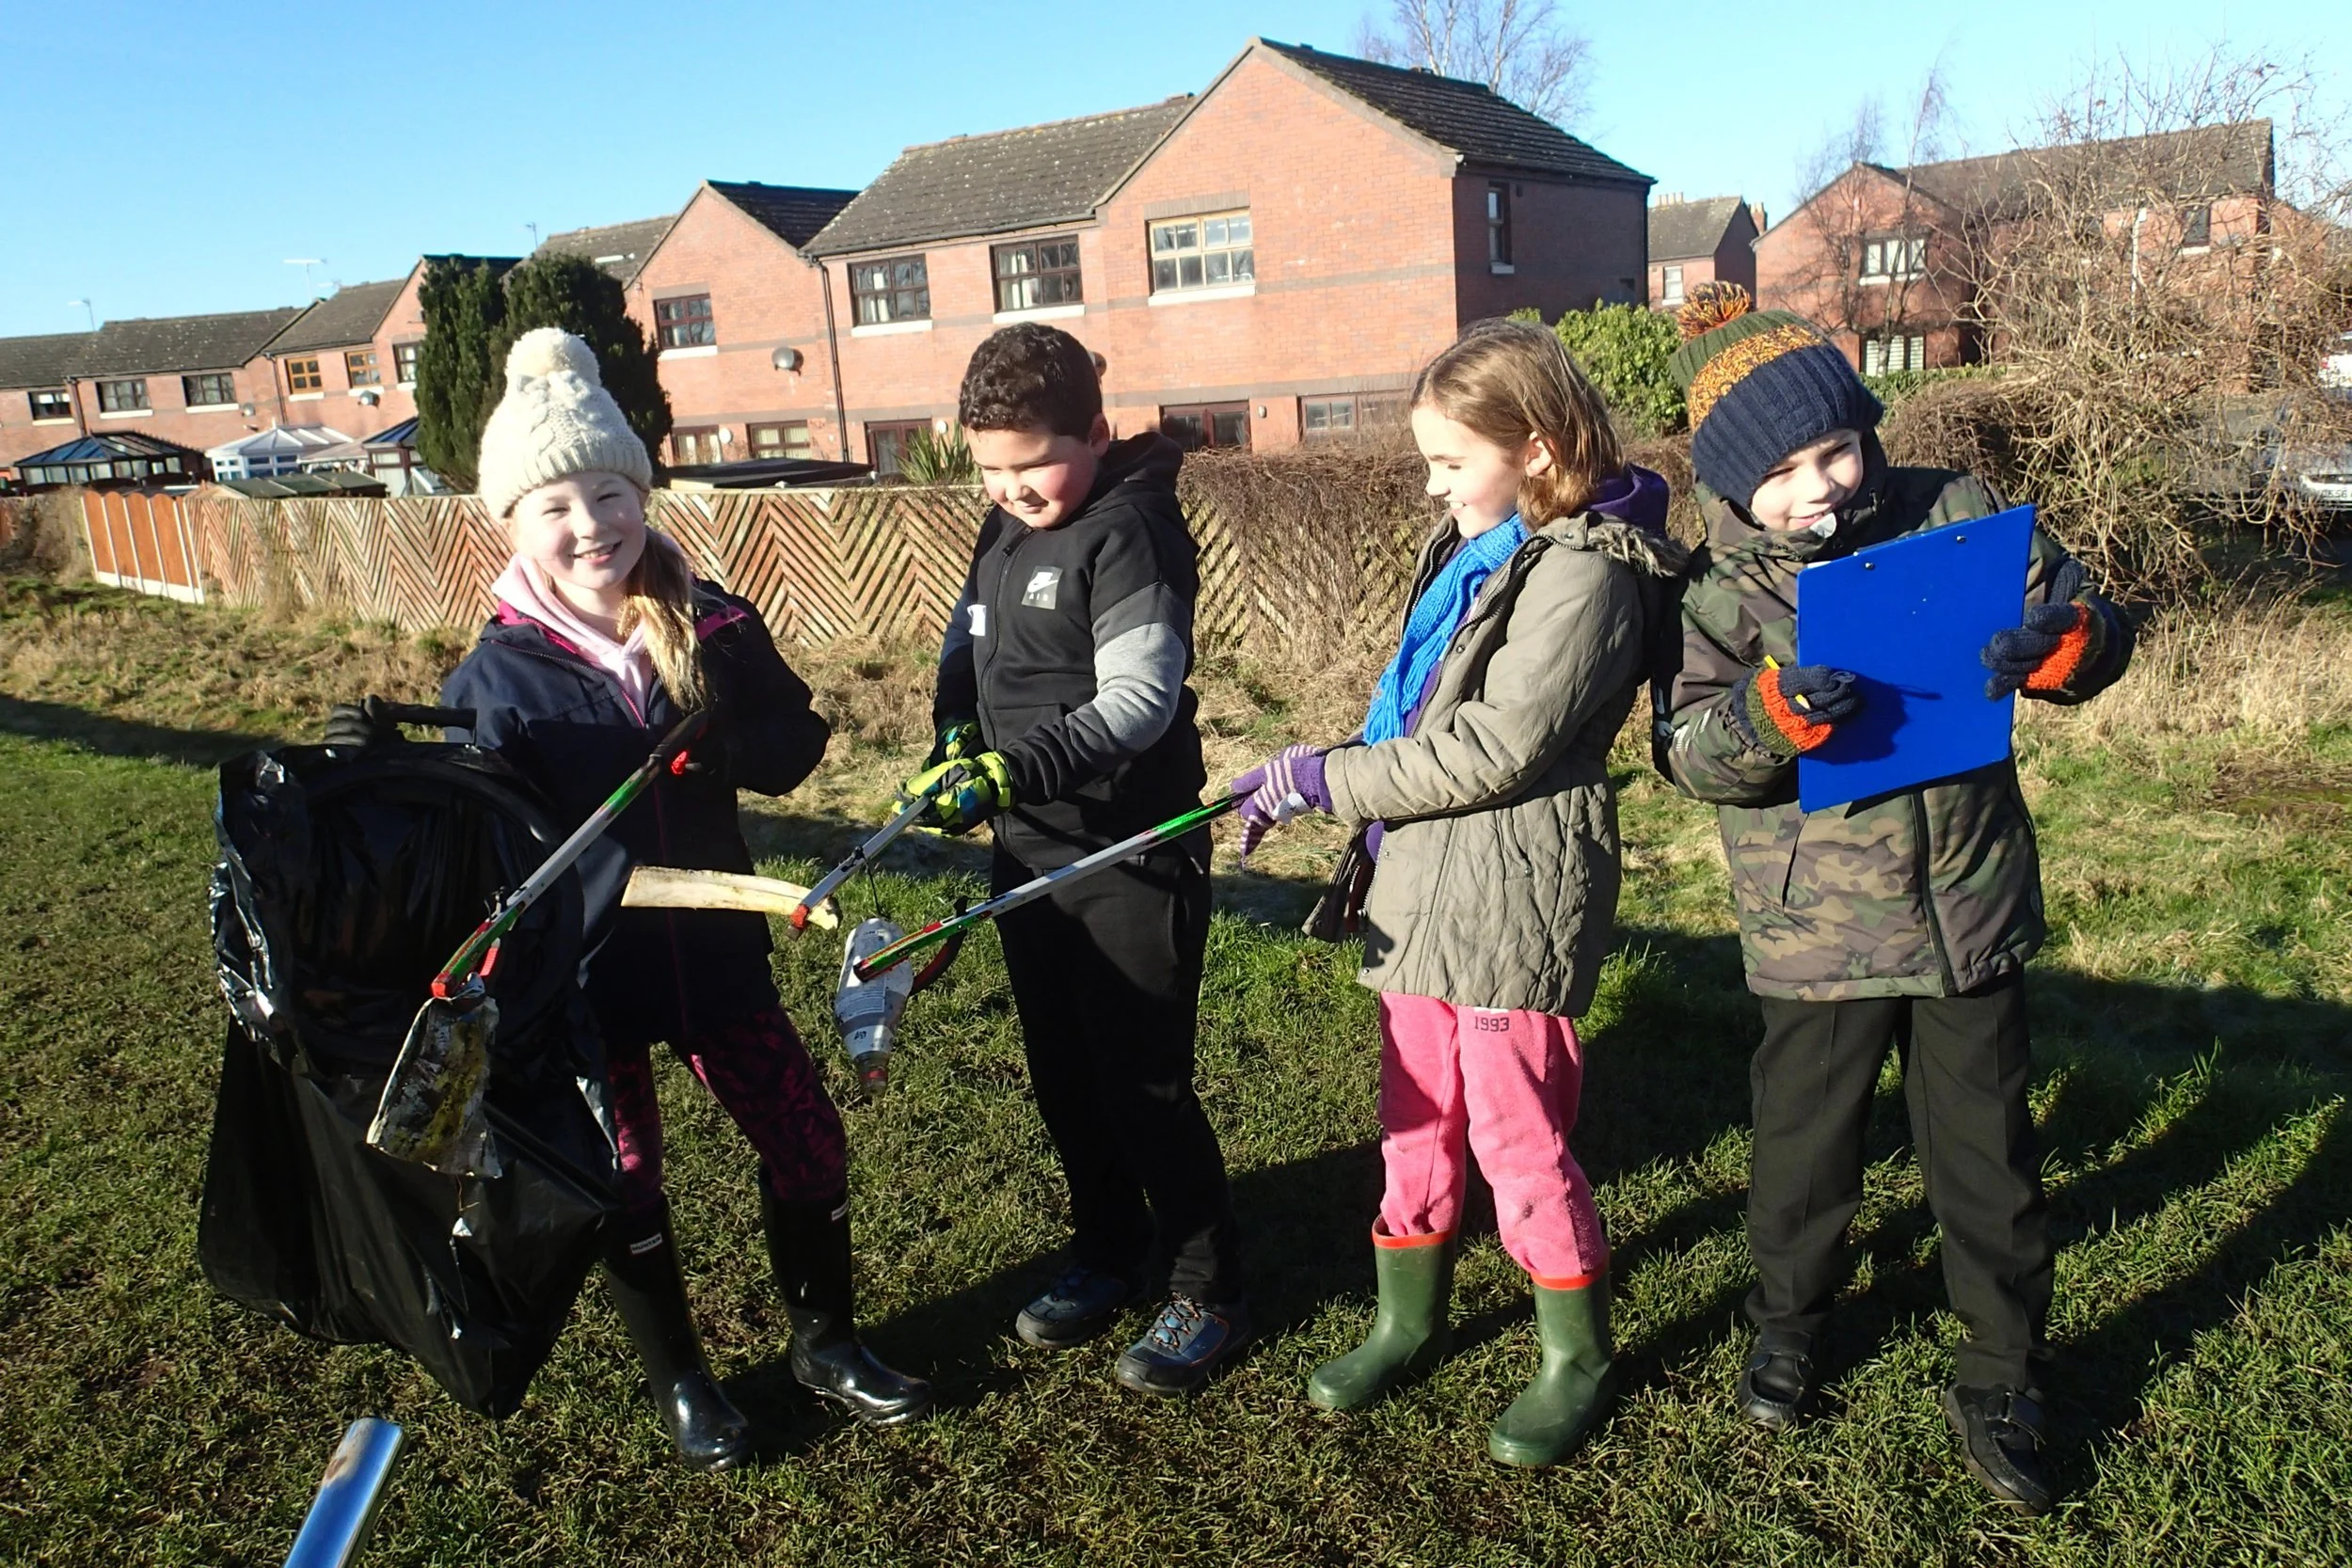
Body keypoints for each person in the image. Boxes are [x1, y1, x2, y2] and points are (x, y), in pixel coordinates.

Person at [1661, 283, 2132, 1513]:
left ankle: (2006, 1368)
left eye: (1836, 448)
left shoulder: (1956, 516)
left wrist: (2076, 644)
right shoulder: (1716, 589)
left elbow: (2082, 610)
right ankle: (1789, 1324)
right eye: (1784, 469)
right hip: (1817, 934)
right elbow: (1687, 748)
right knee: (1805, 1151)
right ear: (1730, 480)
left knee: (1987, 1153)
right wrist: (1767, 716)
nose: (1819, 483)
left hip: (1969, 906)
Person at [432, 328, 931, 1468]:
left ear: (642, 492)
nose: (591, 523)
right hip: (585, 982)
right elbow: (475, 847)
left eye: (610, 491)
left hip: (716, 958)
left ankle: (825, 1342)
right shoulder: (492, 678)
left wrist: (727, 738)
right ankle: (685, 1382)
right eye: (555, 502)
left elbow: (798, 744)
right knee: (625, 1179)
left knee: (808, 1144)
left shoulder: (715, 622)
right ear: (511, 522)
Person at [1234, 318, 1687, 1467]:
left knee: (1514, 1129)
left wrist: (1323, 779)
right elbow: (1422, 714)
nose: (1434, 488)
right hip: (1424, 869)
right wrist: (1309, 777)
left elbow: (1496, 746)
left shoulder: (1583, 572)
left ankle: (1573, 1356)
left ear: (1536, 447)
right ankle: (1406, 1316)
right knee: (1414, 1113)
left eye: (1450, 462)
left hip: (1515, 881)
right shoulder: (1481, 548)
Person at [897, 324, 1247, 1395]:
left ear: (1094, 432)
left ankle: (1207, 1289)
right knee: (1063, 1077)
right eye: (990, 469)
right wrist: (955, 728)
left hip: (1130, 854)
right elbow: (968, 646)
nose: (1011, 489)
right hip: (1030, 857)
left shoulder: (1131, 528)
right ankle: (1106, 1247)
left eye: (1033, 461)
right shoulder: (999, 530)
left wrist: (1013, 771)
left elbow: (1137, 702)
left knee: (1143, 1082)